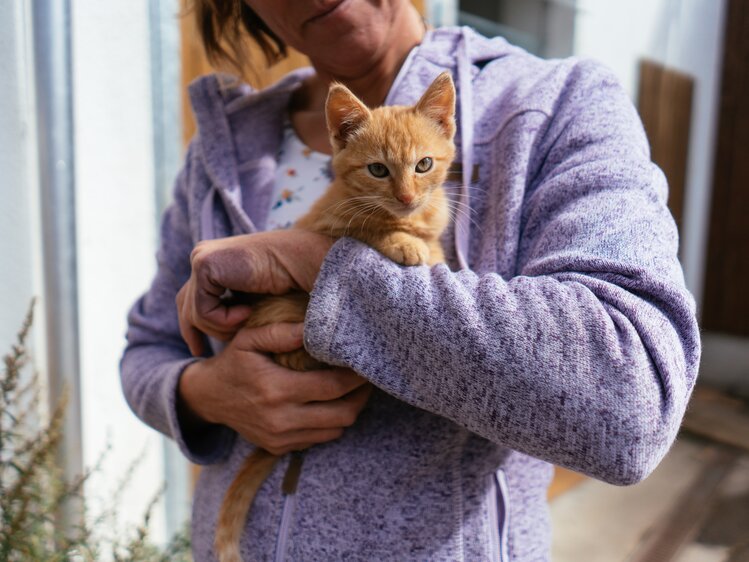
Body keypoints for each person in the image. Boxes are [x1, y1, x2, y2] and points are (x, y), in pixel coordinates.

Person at [121, 0, 701, 560]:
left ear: (444, 131)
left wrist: (316, 263)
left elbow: (630, 410)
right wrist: (206, 393)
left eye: (422, 168)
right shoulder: (223, 147)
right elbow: (148, 350)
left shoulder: (558, 103)